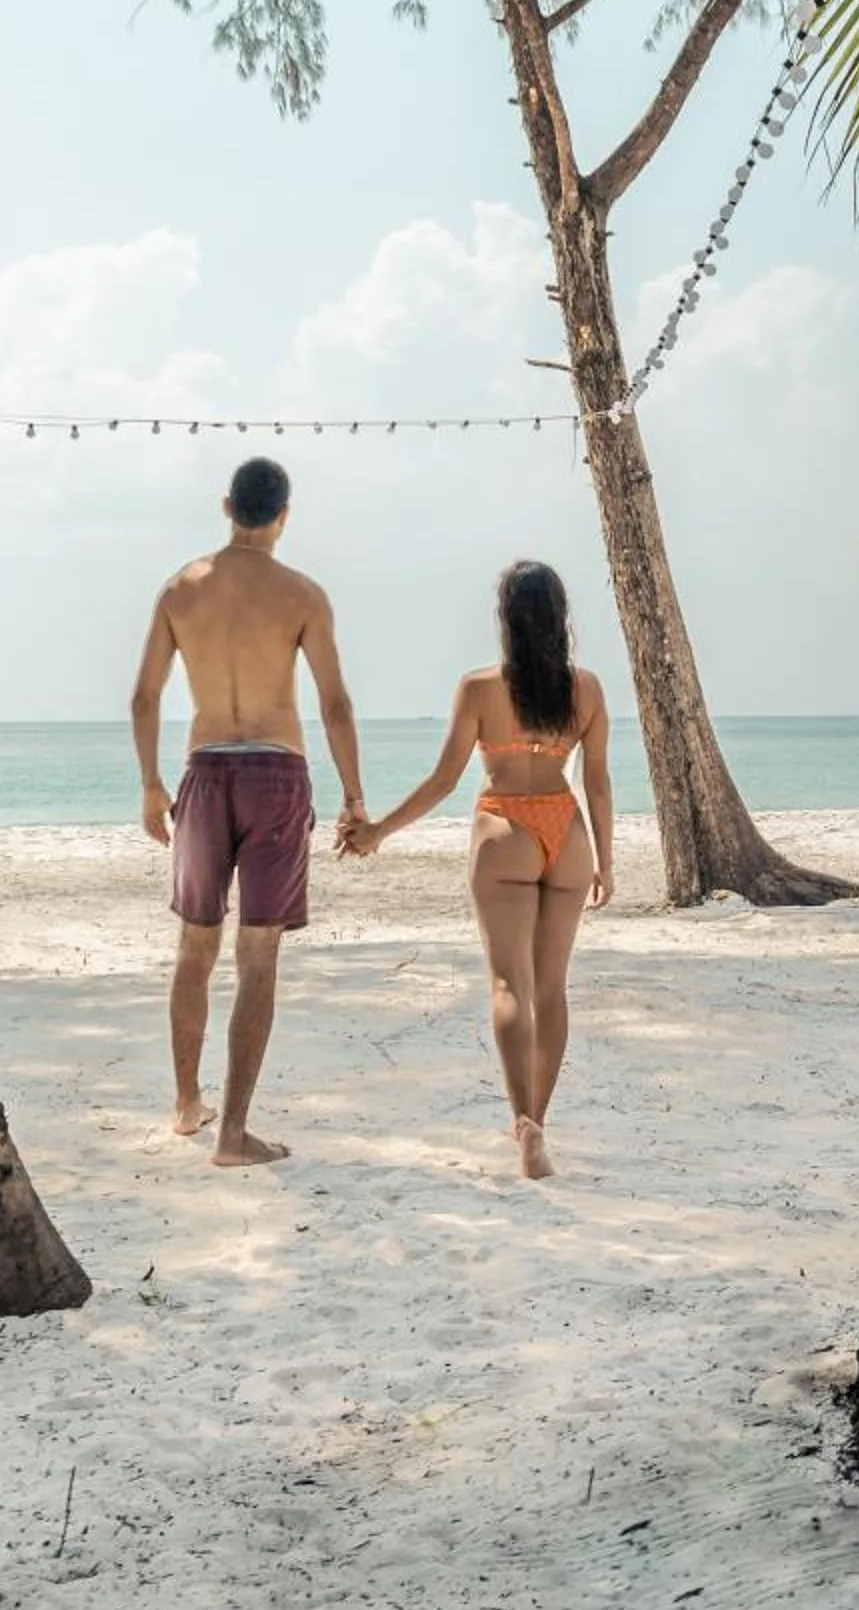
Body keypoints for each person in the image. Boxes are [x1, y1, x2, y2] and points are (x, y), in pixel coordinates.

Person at [340, 560, 613, 1178]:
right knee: (551, 989)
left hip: (504, 830)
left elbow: (443, 780)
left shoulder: (479, 688)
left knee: (509, 987)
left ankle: (525, 1127)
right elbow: (595, 782)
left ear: (505, 620)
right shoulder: (588, 690)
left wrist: (378, 830)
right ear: (561, 618)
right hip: (567, 834)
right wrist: (607, 861)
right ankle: (539, 1118)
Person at [131, 457, 366, 1167]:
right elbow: (334, 704)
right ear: (284, 514)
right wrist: (356, 797)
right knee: (258, 954)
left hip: (204, 773)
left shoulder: (181, 588)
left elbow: (144, 698)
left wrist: (149, 784)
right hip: (277, 772)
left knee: (194, 946)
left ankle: (184, 1104)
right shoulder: (302, 594)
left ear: (227, 504)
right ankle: (232, 1133)